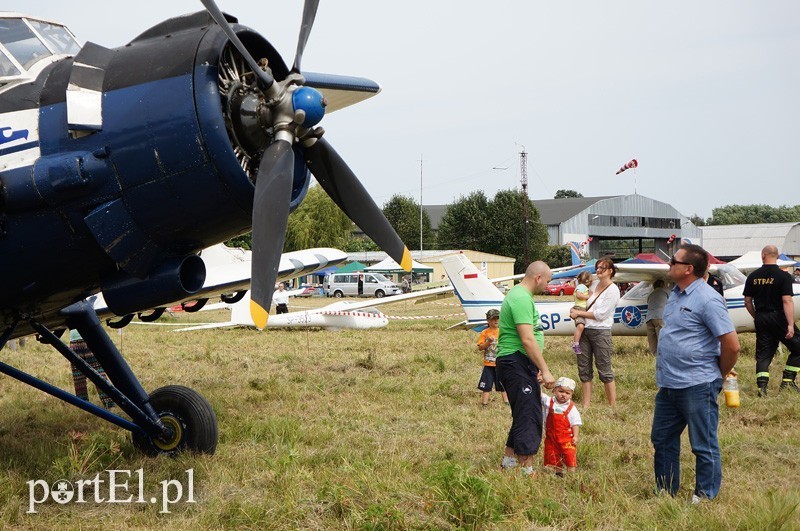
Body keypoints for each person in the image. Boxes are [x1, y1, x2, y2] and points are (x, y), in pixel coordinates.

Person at [651, 244, 739, 503]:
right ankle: (666, 490)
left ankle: (705, 495)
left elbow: (732, 345)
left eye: (673, 262)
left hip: (698, 383)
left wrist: (717, 376)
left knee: (703, 443)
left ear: (688, 269)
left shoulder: (708, 299)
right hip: (669, 384)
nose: (669, 266)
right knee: (662, 438)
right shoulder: (676, 294)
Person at [495, 261, 556, 476]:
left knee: (522, 412)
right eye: (547, 280)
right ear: (538, 277)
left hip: (518, 361)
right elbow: (527, 339)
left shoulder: (520, 296)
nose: (548, 286)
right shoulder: (521, 298)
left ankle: (509, 461)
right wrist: (545, 369)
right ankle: (526, 469)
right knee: (530, 414)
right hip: (515, 361)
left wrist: (534, 365)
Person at [743, 245, 800, 396]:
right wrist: (790, 324)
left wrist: (757, 317)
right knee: (798, 348)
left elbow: (747, 301)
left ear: (763, 255)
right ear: (778, 256)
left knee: (763, 355)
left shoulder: (753, 276)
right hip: (779, 316)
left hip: (761, 317)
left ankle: (762, 389)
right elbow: (787, 301)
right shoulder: (784, 276)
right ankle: (788, 382)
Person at [569, 258, 621, 408]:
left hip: (601, 332)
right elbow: (582, 302)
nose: (598, 271)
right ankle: (586, 405)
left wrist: (578, 313)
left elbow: (601, 314)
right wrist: (575, 310)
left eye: (602, 268)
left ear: (610, 271)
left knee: (604, 368)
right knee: (584, 368)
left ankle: (612, 406)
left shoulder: (613, 290)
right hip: (584, 329)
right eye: (597, 268)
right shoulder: (593, 284)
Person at [541, 376, 582, 474]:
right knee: (553, 454)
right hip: (551, 436)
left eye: (567, 393)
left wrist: (575, 436)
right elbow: (539, 395)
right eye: (561, 391)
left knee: (569, 454)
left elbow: (575, 423)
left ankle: (571, 472)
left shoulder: (571, 408)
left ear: (571, 395)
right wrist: (540, 383)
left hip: (566, 438)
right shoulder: (549, 402)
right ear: (554, 391)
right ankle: (558, 473)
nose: (563, 395)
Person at [69, 329, 115, 409]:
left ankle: (83, 404)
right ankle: (109, 404)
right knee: (99, 375)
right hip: (89, 341)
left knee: (79, 378)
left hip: (74, 344)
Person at [476, 309, 508, 405]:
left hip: (500, 363)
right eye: (493, 319)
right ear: (488, 321)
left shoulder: (503, 331)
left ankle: (506, 402)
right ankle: (484, 403)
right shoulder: (485, 333)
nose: (496, 321)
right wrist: (488, 342)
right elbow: (480, 347)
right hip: (488, 364)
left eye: (498, 318)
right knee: (486, 385)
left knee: (503, 384)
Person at [571, 272, 593, 354]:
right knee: (580, 326)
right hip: (579, 309)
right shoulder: (581, 287)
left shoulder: (583, 287)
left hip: (582, 309)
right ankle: (575, 344)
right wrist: (589, 296)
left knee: (582, 326)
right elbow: (579, 295)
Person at [645, 279, 669, 356]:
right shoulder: (666, 292)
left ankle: (653, 354)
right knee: (661, 337)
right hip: (659, 316)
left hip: (649, 318)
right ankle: (663, 354)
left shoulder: (651, 294)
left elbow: (648, 302)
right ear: (662, 285)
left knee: (652, 338)